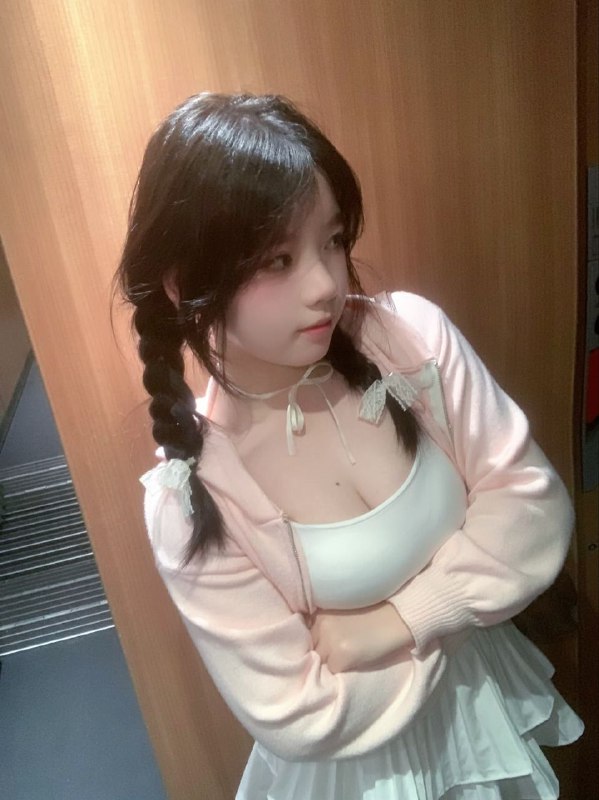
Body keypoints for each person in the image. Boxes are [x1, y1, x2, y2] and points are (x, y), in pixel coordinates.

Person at [113, 92, 584, 799]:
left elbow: (534, 510)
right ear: (186, 285)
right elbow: (302, 713)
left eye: (332, 241)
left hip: (487, 708)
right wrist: (474, 598)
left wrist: (399, 623)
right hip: (362, 776)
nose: (325, 284)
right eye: (277, 258)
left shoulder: (408, 340)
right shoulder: (194, 501)